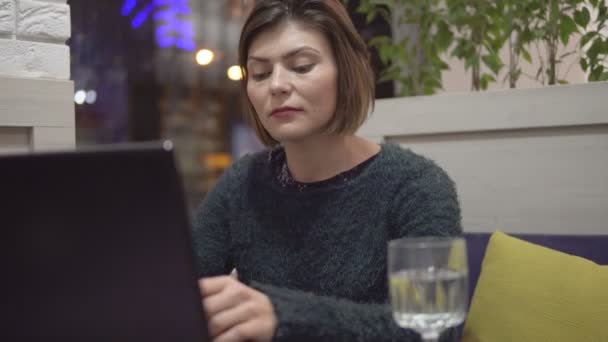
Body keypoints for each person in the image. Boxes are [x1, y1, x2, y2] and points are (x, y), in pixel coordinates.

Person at [192, 1, 462, 341]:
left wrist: (284, 317)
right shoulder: (241, 184)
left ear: (345, 70)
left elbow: (435, 330)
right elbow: (177, 294)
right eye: (260, 73)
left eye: (301, 66)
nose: (276, 85)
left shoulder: (415, 186)